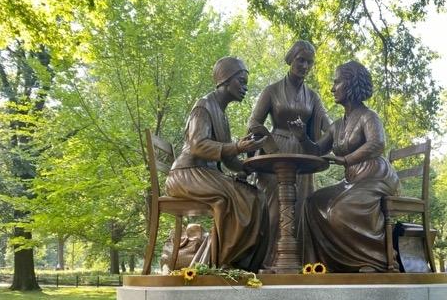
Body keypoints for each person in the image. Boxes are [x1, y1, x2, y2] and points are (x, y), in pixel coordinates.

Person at [288, 61, 400, 273]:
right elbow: (316, 150)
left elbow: (377, 143)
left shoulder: (369, 116)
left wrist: (347, 160)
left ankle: (373, 260)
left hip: (375, 177)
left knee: (341, 210)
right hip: (353, 180)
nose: (332, 88)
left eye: (337, 82)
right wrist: (303, 137)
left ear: (350, 84)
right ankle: (322, 264)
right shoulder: (337, 125)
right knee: (312, 203)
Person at [165, 57, 267, 272]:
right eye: (241, 81)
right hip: (187, 174)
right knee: (233, 198)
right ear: (225, 80)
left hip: (205, 174)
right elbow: (198, 145)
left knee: (256, 195)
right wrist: (237, 146)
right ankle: (221, 260)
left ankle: (240, 261)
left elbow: (228, 158)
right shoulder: (203, 106)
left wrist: (245, 166)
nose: (245, 87)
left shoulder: (221, 114)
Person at [247, 40, 330, 267]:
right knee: (275, 208)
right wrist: (268, 142)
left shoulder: (312, 97)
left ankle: (299, 260)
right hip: (275, 154)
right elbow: (253, 122)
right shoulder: (271, 91)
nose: (305, 65)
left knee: (301, 206)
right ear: (291, 59)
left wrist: (319, 146)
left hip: (302, 155)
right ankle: (271, 262)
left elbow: (329, 128)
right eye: (301, 60)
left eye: (309, 62)